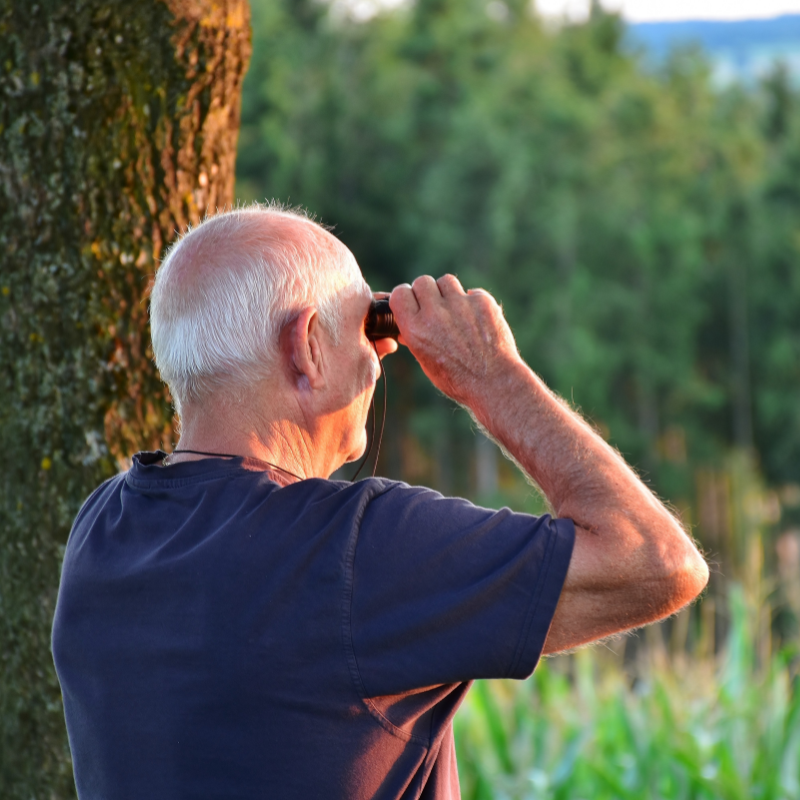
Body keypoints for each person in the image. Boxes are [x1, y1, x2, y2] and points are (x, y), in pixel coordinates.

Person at [52, 205, 708, 799]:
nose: (378, 360)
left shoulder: (102, 531)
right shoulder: (353, 551)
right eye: (365, 328)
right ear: (306, 348)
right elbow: (656, 561)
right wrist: (491, 375)